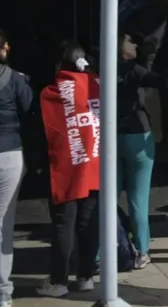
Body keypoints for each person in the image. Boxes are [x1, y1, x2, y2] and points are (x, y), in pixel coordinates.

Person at [117, 30, 168, 266]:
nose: (135, 41)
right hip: (137, 137)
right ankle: (142, 251)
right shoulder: (132, 70)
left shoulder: (100, 72)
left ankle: (99, 252)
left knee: (107, 199)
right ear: (117, 45)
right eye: (129, 39)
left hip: (111, 138)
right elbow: (164, 81)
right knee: (138, 199)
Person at [36, 42, 100, 297]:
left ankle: (58, 281)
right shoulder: (97, 85)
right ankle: (85, 276)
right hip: (94, 163)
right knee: (88, 222)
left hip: (66, 168)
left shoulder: (52, 91)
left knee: (64, 224)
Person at [0, 29, 33, 306]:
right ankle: (2, 290)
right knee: (2, 224)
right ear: (4, 48)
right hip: (8, 152)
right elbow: (30, 111)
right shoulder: (16, 79)